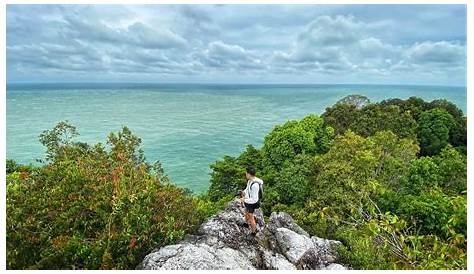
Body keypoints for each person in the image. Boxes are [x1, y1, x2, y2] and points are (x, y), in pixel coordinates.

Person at [240, 166, 263, 235]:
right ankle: (246, 223)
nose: (246, 174)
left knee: (251, 216)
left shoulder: (255, 185)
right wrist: (244, 192)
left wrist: (244, 200)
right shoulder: (250, 181)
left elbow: (254, 199)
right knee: (246, 211)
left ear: (249, 174)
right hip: (249, 200)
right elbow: (247, 189)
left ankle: (254, 232)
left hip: (253, 203)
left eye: (246, 173)